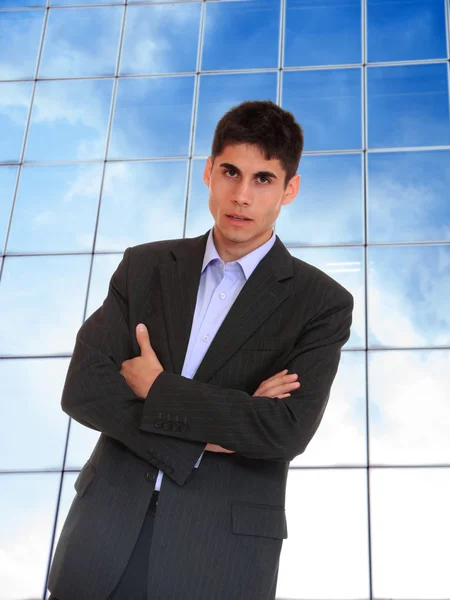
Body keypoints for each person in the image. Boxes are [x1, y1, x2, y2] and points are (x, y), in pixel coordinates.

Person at [47, 100, 353, 600]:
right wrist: (210, 432)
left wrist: (159, 391)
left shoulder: (320, 303)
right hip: (103, 533)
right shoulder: (144, 267)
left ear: (289, 189)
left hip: (219, 554)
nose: (241, 195)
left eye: (263, 179)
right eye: (230, 172)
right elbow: (83, 389)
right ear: (208, 172)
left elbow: (284, 430)